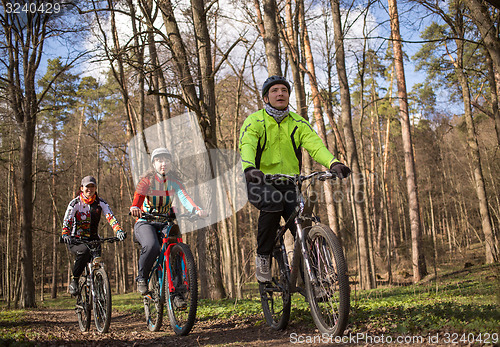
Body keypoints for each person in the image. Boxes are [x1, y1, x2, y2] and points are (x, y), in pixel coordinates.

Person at [239, 75, 351, 283]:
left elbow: (315, 146)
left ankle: (316, 278)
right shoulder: (255, 121)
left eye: (284, 90)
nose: (280, 93)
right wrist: (249, 168)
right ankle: (263, 256)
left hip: (289, 184)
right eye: (274, 90)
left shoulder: (298, 123)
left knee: (306, 223)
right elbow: (247, 145)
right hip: (259, 182)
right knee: (272, 202)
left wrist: (333, 163)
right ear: (266, 98)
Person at [129, 147, 207, 295]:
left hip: (165, 221)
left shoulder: (174, 182)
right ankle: (142, 278)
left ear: (171, 163)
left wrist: (196, 209)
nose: (163, 163)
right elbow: (138, 196)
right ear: (154, 164)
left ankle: (177, 292)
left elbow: (184, 197)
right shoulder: (146, 181)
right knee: (152, 245)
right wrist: (135, 207)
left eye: (166, 160)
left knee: (175, 247)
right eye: (159, 160)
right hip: (145, 221)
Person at [61, 175, 126, 295]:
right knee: (84, 251)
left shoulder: (100, 203)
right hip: (77, 240)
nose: (90, 189)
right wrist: (65, 234)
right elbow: (67, 220)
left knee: (97, 260)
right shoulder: (75, 203)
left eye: (92, 186)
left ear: (95, 188)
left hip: (94, 239)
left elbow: (110, 217)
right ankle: (75, 280)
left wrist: (118, 230)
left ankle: (98, 287)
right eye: (87, 187)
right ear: (81, 188)